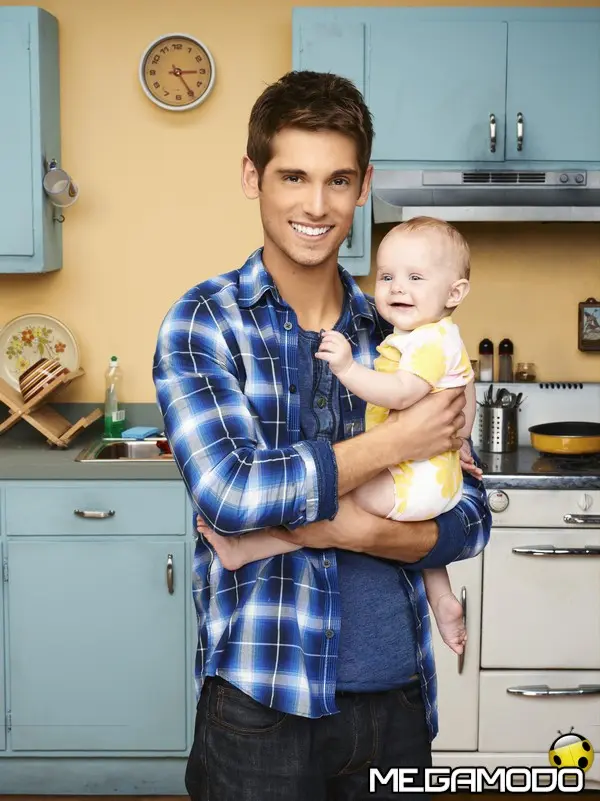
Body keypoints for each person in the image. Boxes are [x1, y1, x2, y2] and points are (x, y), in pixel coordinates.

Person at [153, 70, 491, 801]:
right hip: (262, 706)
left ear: (364, 184)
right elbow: (234, 495)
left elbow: (469, 516)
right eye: (293, 176)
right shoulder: (205, 322)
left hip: (399, 699)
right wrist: (395, 446)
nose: (316, 205)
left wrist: (322, 525)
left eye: (338, 180)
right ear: (253, 176)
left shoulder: (407, 327)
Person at [202, 216, 479, 657]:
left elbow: (403, 393)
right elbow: (455, 412)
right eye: (387, 276)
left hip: (420, 480)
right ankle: (441, 597)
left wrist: (349, 369)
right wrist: (447, 440)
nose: (396, 288)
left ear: (455, 292)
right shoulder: (426, 336)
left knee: (326, 498)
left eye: (415, 277)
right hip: (429, 478)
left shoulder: (428, 341)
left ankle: (248, 550)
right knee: (394, 515)